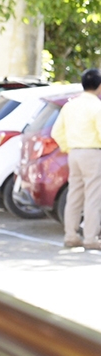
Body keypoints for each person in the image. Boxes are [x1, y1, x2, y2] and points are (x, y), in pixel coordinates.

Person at [51, 68, 101, 249]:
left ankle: (70, 235)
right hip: (93, 153)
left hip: (74, 153)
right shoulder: (97, 106)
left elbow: (56, 132)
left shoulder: (69, 105)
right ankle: (90, 238)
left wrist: (67, 147)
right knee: (93, 197)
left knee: (74, 196)